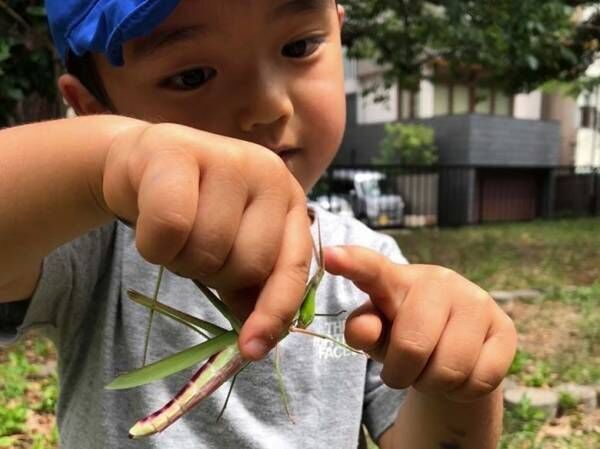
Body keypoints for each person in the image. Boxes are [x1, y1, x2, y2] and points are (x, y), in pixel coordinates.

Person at [0, 1, 517, 448]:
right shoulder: (96, 242)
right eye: (191, 77)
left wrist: (459, 381)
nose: (269, 106)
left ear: (339, 32)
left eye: (299, 47)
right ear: (93, 108)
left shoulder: (368, 270)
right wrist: (108, 161)